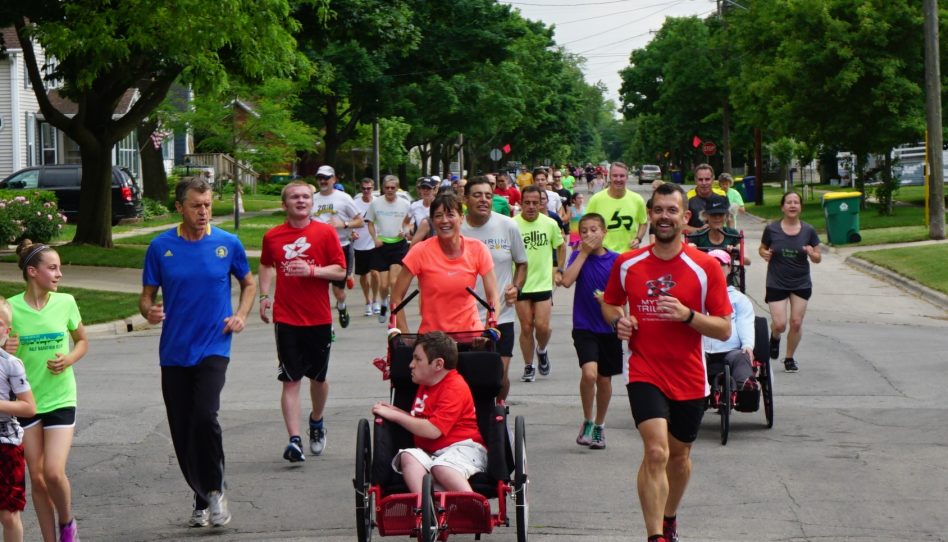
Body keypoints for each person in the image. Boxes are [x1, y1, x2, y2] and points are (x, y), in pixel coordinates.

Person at [601, 182, 731, 542]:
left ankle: (669, 515)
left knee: (679, 456)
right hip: (644, 368)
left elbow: (723, 329)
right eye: (658, 210)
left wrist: (689, 316)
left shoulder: (705, 267)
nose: (664, 217)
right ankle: (655, 535)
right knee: (655, 451)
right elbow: (610, 302)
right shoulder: (627, 264)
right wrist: (619, 321)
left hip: (689, 374)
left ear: (685, 218)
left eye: (672, 211)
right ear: (650, 215)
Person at [140, 177, 256, 528]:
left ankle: (215, 491)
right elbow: (146, 297)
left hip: (214, 344)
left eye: (207, 205)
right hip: (174, 350)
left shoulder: (227, 243)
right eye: (196, 205)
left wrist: (240, 314)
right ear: (180, 208)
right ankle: (201, 495)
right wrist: (149, 311)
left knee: (206, 417)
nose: (204, 211)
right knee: (184, 428)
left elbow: (248, 283)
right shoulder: (161, 247)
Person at [4, 242, 88, 542]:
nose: (59, 274)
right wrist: (4, 347)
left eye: (59, 267)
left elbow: (82, 341)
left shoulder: (65, 302)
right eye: (52, 268)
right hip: (26, 402)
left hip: (61, 397)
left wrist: (69, 358)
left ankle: (67, 524)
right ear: (32, 271)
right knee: (37, 478)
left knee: (53, 472)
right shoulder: (10, 308)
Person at [258, 181, 346, 463]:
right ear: (285, 204)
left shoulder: (325, 233)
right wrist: (264, 296)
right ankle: (294, 440)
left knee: (318, 378)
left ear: (312, 203)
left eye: (306, 196)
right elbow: (266, 264)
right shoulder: (273, 236)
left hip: (319, 317)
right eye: (295, 197)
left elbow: (340, 271)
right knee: (290, 379)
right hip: (286, 317)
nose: (301, 200)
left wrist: (312, 270)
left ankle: (316, 422)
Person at [371, 332, 487, 494]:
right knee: (407, 456)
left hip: (464, 449)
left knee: (441, 468)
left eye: (418, 359)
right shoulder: (426, 383)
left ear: (438, 364)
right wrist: (395, 410)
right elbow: (421, 420)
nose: (411, 364)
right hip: (432, 453)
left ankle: (470, 505)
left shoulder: (454, 387)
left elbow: (432, 430)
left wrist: (396, 416)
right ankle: (424, 507)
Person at [390, 192, 500, 334]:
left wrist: (490, 327)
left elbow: (493, 296)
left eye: (450, 215)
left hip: (470, 336)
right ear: (432, 221)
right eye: (438, 216)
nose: (444, 220)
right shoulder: (419, 251)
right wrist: (404, 334)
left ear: (461, 218)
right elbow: (395, 297)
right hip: (432, 339)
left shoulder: (478, 249)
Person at [461, 178, 527, 401]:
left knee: (498, 376)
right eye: (477, 195)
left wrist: (516, 287)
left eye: (488, 195)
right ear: (465, 199)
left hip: (500, 315)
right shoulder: (456, 228)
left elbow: (522, 263)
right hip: (462, 318)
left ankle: (498, 415)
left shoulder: (507, 226)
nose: (483, 200)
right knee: (467, 378)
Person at [559, 214, 621, 450]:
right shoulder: (578, 256)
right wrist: (582, 253)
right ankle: (587, 419)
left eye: (594, 230)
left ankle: (600, 425)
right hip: (584, 326)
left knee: (604, 379)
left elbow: (625, 292)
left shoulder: (616, 260)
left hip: (609, 326)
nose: (588, 235)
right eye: (583, 231)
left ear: (604, 232)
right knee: (589, 374)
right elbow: (566, 281)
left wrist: (614, 306)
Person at [759, 191, 821, 373]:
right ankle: (775, 336)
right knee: (780, 324)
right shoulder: (772, 229)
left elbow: (818, 258)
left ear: (800, 207)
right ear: (782, 207)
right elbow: (762, 249)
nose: (792, 205)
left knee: (796, 322)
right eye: (789, 202)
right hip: (776, 281)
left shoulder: (808, 230)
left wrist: (811, 253)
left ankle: (789, 357)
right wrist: (764, 253)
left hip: (801, 282)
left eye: (796, 202)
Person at [514, 186, 567, 382]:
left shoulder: (550, 224)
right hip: (520, 284)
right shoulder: (512, 225)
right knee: (526, 327)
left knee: (543, 327)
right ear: (520, 203)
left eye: (535, 203)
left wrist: (559, 269)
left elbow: (561, 246)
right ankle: (529, 366)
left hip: (543, 282)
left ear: (541, 203)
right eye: (526, 202)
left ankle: (542, 350)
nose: (530, 206)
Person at [0, 297, 36, 542]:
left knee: (8, 513)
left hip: (6, 443)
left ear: (6, 330)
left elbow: (28, 407)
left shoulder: (11, 364)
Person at [703, 249, 758, 407]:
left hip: (731, 350)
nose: (716, 267)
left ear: (729, 268)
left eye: (721, 264)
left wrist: (748, 345)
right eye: (712, 264)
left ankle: (746, 386)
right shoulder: (697, 294)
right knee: (689, 360)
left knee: (742, 357)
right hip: (702, 350)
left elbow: (745, 323)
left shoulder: (739, 299)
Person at [312, 165, 364, 329]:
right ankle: (328, 325)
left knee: (338, 291)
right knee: (318, 291)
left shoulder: (344, 198)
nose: (322, 181)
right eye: (320, 178)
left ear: (333, 179)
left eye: (326, 178)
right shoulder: (312, 199)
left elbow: (360, 221)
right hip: (318, 249)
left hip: (340, 247)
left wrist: (344, 224)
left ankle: (341, 307)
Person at [367, 175, 413, 324]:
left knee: (394, 281)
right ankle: (384, 304)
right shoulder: (376, 204)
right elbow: (370, 223)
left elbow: (409, 223)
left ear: (397, 188)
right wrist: (375, 238)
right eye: (387, 188)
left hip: (399, 245)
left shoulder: (405, 204)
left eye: (393, 188)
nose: (390, 190)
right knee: (383, 285)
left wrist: (405, 231)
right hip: (382, 246)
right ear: (383, 188)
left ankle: (395, 308)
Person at [584, 161, 648, 254]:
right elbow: (586, 226)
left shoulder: (637, 199)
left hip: (628, 255)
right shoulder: (595, 200)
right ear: (609, 177)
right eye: (615, 175)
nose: (618, 179)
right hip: (603, 255)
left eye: (622, 176)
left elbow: (643, 222)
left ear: (627, 177)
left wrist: (638, 239)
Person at [352, 177, 382, 316]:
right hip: (360, 244)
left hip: (375, 242)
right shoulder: (354, 203)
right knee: (364, 276)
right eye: (363, 188)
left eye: (369, 188)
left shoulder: (378, 202)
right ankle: (368, 301)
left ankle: (376, 300)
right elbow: (349, 220)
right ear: (360, 189)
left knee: (375, 273)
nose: (366, 191)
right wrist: (352, 233)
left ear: (373, 188)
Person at [685, 164, 727, 233]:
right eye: (700, 180)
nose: (704, 183)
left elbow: (729, 220)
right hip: (694, 241)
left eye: (707, 179)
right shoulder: (687, 198)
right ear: (695, 180)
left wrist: (731, 237)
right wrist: (700, 230)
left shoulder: (722, 195)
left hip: (719, 239)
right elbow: (680, 227)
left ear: (713, 179)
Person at [409, 176, 438, 244]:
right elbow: (406, 222)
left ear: (434, 190)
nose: (425, 190)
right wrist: (409, 232)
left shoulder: (439, 205)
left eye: (428, 188)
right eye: (423, 188)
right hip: (420, 242)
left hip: (436, 242)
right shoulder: (414, 205)